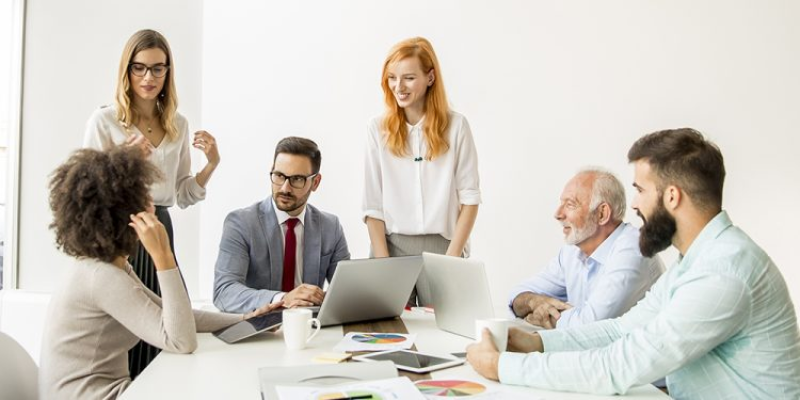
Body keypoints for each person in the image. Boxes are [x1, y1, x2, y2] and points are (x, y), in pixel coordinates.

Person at [467, 128, 800, 398]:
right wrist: (536, 342)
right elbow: (621, 330)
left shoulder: (724, 271)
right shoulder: (697, 260)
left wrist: (501, 367)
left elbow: (619, 367)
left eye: (640, 190)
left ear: (672, 196)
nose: (635, 204)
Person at [39, 147, 280, 400]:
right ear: (124, 213)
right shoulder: (101, 277)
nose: (153, 205)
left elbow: (174, 316)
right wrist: (163, 256)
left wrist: (247, 319)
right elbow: (181, 341)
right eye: (144, 198)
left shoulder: (109, 267)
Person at [83, 29, 221, 377]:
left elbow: (183, 194)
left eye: (158, 68)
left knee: (172, 324)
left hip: (160, 230)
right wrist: (124, 161)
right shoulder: (105, 120)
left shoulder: (178, 124)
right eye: (140, 68)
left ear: (168, 72)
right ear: (126, 71)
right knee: (129, 330)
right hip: (121, 234)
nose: (149, 77)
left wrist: (211, 164)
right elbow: (85, 191)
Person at [363, 37, 481, 307]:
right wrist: (383, 265)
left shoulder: (457, 126)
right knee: (386, 336)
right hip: (390, 248)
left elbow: (470, 200)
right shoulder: (377, 128)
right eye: (392, 77)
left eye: (408, 78)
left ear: (430, 77)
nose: (398, 87)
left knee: (443, 334)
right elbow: (372, 206)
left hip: (443, 248)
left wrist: (450, 262)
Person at [510, 169, 664, 329]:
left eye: (570, 205)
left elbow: (588, 327)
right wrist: (534, 301)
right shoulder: (572, 251)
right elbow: (516, 296)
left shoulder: (633, 248)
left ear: (602, 213)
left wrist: (541, 316)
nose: (558, 214)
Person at [213, 137, 350, 314]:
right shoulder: (241, 223)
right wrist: (282, 298)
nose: (285, 188)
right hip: (260, 328)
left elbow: (345, 292)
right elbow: (224, 292)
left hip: (310, 326)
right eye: (279, 176)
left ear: (315, 183)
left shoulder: (331, 227)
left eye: (297, 179)